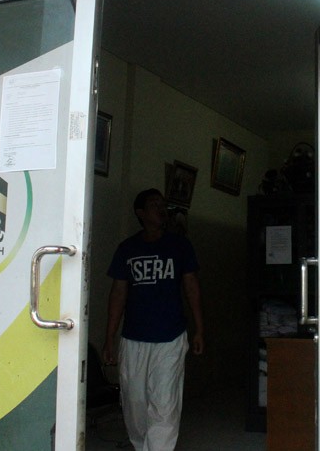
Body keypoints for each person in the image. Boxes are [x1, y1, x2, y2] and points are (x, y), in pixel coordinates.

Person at [103, 188, 204, 451]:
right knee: (134, 403)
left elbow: (191, 287)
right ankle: (141, 446)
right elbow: (118, 294)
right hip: (133, 338)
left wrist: (199, 329)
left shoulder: (180, 246)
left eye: (163, 204)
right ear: (140, 213)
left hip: (170, 337)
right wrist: (109, 339)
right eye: (154, 204)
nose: (161, 208)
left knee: (164, 403)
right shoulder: (127, 249)